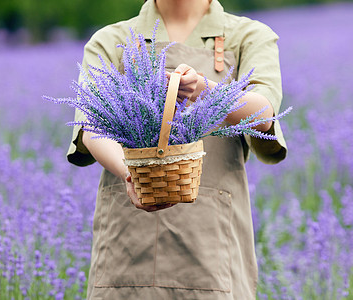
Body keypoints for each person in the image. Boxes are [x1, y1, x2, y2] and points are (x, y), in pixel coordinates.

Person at [67, 0, 287, 299]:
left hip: (211, 242)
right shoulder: (112, 40)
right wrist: (132, 174)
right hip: (128, 241)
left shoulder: (247, 35)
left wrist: (205, 89)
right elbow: (92, 128)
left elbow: (264, 114)